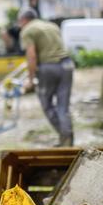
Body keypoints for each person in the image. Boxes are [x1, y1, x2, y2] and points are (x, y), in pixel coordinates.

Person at [17, 9, 75, 146]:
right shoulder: (52, 26)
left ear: (24, 20)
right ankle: (67, 138)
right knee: (63, 107)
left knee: (47, 104)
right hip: (67, 65)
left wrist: (30, 81)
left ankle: (64, 135)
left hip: (49, 68)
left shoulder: (27, 30)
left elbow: (31, 56)